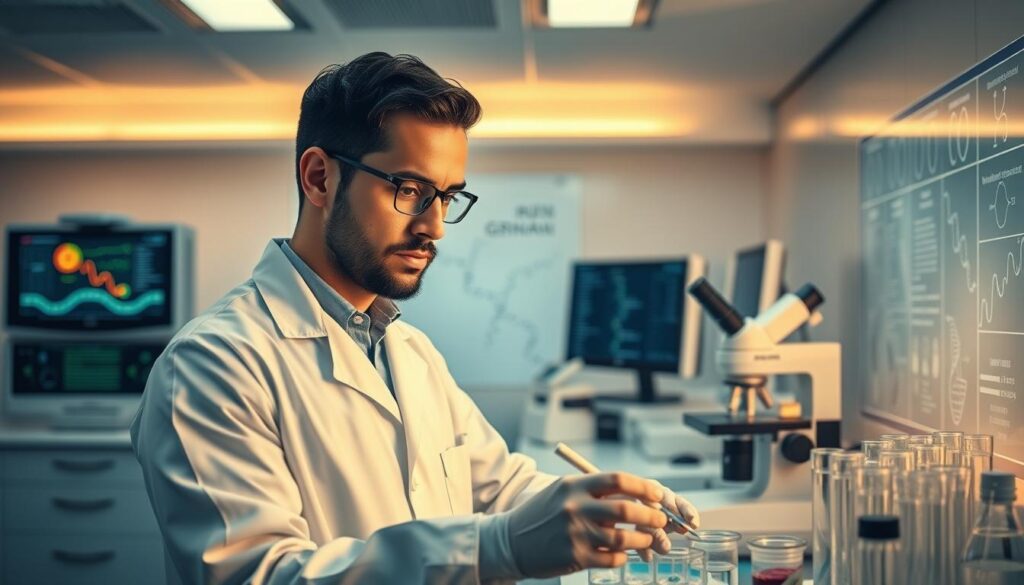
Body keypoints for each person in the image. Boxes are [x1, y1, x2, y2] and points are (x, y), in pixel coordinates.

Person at [131, 52, 700, 584]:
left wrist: (605, 504)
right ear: (319, 178)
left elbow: (498, 486)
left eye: (447, 197)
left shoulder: (409, 351)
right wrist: (497, 547)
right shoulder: (212, 365)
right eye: (410, 190)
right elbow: (256, 573)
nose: (435, 227)